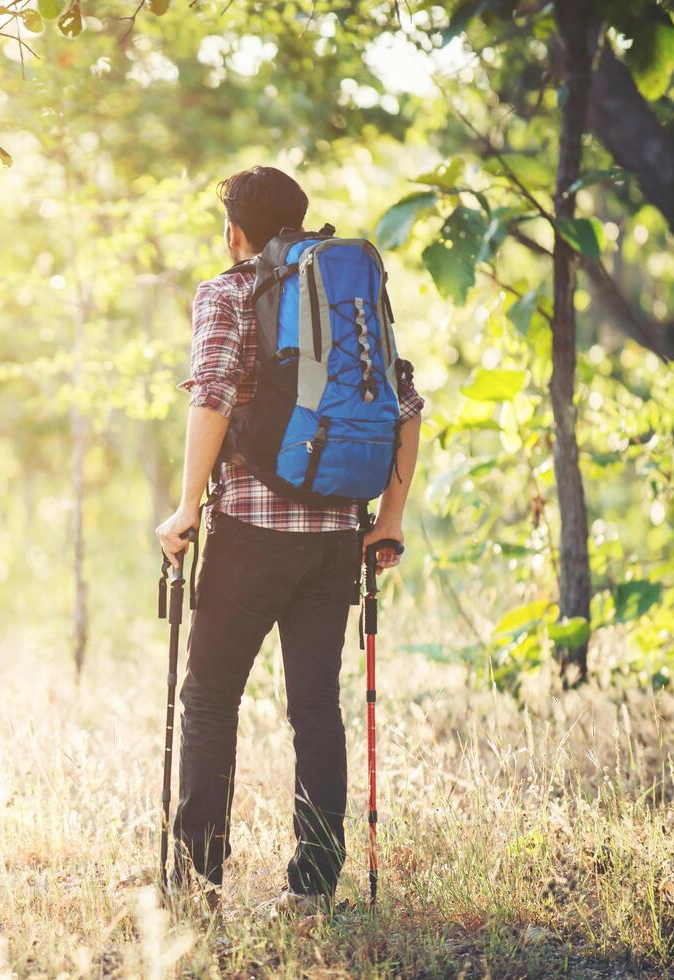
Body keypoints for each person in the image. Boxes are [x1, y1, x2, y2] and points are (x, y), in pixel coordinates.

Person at [155, 166, 424, 915]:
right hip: (338, 531)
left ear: (234, 231)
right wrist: (388, 522)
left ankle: (198, 880)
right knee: (314, 707)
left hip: (250, 529)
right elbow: (407, 408)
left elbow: (209, 395)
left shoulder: (230, 290)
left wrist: (183, 510)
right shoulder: (347, 290)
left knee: (209, 697)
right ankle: (311, 888)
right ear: (297, 222)